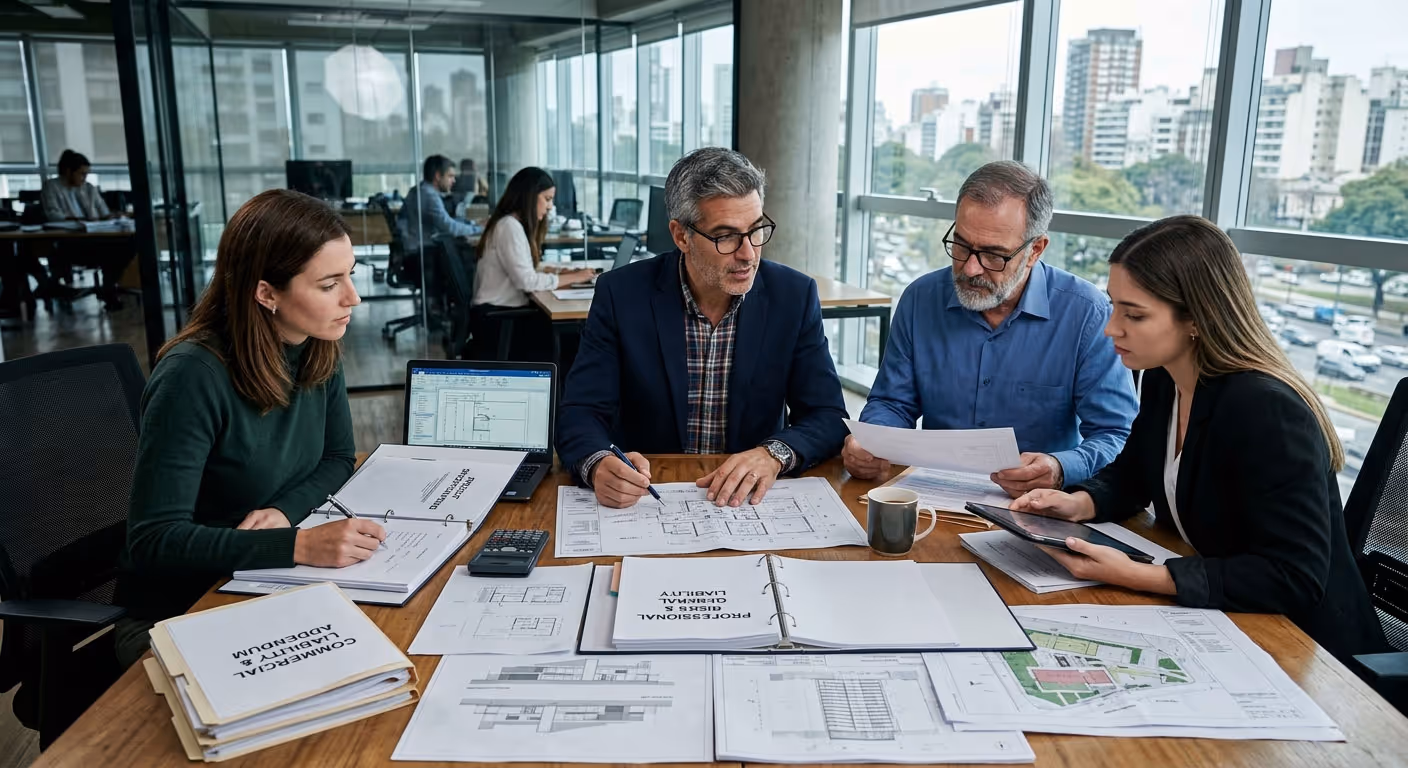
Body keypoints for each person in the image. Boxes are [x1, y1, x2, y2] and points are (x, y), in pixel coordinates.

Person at [1010, 215, 1388, 664]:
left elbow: (1293, 577)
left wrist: (1140, 576)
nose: (1112, 328)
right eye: (1114, 306)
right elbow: (1135, 475)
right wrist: (1079, 503)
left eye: (1134, 314)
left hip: (1307, 650)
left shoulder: (1267, 411)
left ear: (1195, 318)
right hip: (1221, 621)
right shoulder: (1166, 378)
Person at [115, 189, 383, 668]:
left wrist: (283, 511)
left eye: (351, 275)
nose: (352, 297)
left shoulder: (316, 343)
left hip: (262, 583)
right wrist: (297, 545)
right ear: (266, 293)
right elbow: (153, 540)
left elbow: (338, 458)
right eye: (328, 284)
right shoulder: (192, 375)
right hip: (186, 605)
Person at [556, 147, 849, 509]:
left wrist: (774, 454)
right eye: (726, 236)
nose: (748, 254)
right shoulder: (622, 294)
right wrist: (598, 463)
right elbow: (580, 412)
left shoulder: (794, 296)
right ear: (681, 236)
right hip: (650, 497)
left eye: (756, 230)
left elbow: (828, 415)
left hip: (748, 502)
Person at [844, 161, 1137, 495]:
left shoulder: (1087, 314)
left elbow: (1117, 435)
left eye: (994, 256)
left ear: (1034, 250)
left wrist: (1060, 468)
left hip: (1039, 504)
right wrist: (870, 440)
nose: (969, 268)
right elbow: (893, 403)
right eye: (962, 245)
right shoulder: (920, 299)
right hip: (933, 495)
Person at [469, 167, 594, 361]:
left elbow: (523, 268)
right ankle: (563, 391)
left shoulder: (508, 223)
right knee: (574, 339)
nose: (550, 206)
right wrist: (575, 277)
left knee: (574, 335)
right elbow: (527, 282)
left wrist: (558, 272)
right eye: (547, 199)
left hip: (501, 316)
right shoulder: (509, 227)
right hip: (500, 322)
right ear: (529, 196)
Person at [40, 149, 135, 310]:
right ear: (68, 171)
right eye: (81, 174)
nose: (85, 178)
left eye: (86, 174)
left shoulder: (89, 188)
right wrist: (83, 220)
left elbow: (103, 212)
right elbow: (54, 216)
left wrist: (114, 216)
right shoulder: (52, 187)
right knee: (115, 251)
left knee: (129, 244)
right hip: (70, 242)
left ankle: (109, 287)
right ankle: (109, 289)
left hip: (96, 237)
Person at [400, 154, 480, 251]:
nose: (454, 181)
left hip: (417, 247)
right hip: (424, 251)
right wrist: (481, 229)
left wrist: (473, 223)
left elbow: (449, 221)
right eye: (450, 176)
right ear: (438, 176)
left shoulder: (417, 190)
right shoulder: (429, 196)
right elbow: (450, 227)